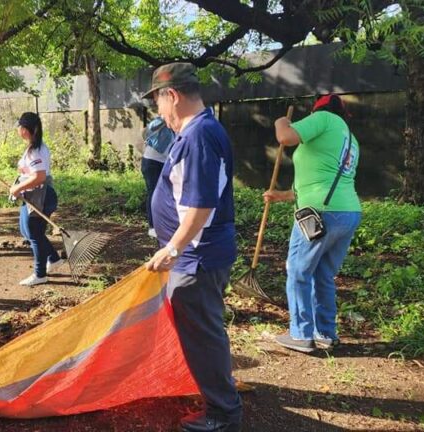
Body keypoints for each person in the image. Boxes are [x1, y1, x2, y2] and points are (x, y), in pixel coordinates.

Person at [142, 63, 242, 432]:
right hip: (196, 256)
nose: (159, 113)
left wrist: (173, 248)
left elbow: (201, 205)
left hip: (196, 259)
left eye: (158, 104)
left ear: (172, 95)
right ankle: (219, 396)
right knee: (203, 328)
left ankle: (223, 414)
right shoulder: (198, 131)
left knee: (203, 332)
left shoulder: (199, 135)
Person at [264, 94, 361, 353]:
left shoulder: (324, 119)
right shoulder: (349, 138)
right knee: (323, 274)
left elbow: (285, 137)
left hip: (319, 214)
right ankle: (326, 334)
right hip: (347, 212)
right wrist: (282, 196)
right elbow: (324, 181)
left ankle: (300, 335)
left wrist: (281, 121)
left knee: (298, 270)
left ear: (318, 110)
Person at [10, 112, 63, 286]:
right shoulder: (33, 147)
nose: (18, 130)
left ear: (24, 130)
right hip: (32, 195)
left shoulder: (36, 150)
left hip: (41, 196)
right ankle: (53, 259)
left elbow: (39, 177)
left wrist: (18, 187)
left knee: (34, 234)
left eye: (19, 126)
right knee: (28, 232)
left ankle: (40, 274)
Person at [141, 116, 175, 238]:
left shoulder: (177, 129)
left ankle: (164, 224)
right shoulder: (163, 122)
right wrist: (165, 118)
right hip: (151, 162)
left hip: (164, 163)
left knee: (165, 194)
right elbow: (150, 127)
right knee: (153, 193)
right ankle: (152, 227)